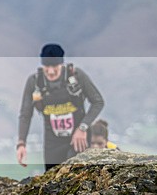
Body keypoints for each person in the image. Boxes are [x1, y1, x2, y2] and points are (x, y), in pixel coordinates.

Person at [16, 43, 104, 171]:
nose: (51, 72)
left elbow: (98, 101)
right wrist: (21, 144)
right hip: (52, 141)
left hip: (78, 138)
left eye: (55, 67)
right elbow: (25, 114)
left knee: (74, 174)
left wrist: (83, 127)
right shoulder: (35, 82)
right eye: (46, 67)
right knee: (52, 181)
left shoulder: (76, 76)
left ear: (61, 64)